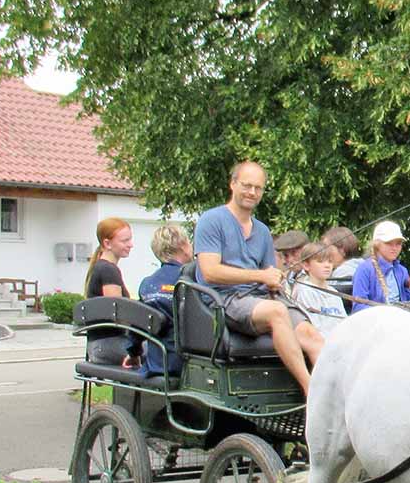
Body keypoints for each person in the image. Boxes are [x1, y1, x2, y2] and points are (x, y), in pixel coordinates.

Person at [193, 161, 323, 395]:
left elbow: (269, 276)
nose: (252, 192)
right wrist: (261, 276)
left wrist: (275, 279)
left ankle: (331, 395)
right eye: (247, 185)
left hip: (261, 298)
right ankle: (310, 389)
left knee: (311, 335)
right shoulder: (211, 221)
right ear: (233, 184)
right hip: (225, 299)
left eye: (258, 188)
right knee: (277, 312)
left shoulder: (262, 231)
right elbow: (210, 271)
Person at [131, 224, 194, 376]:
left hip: (157, 363)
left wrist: (133, 353)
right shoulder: (192, 280)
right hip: (188, 365)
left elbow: (138, 326)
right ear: (183, 246)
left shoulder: (147, 284)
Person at [83, 217, 139, 365]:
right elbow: (118, 313)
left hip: (100, 345)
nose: (130, 245)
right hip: (108, 345)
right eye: (125, 241)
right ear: (107, 243)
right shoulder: (108, 270)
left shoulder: (101, 267)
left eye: (130, 239)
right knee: (158, 353)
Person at [350, 220, 410, 312]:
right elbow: (358, 307)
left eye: (398, 243)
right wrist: (385, 313)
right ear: (377, 244)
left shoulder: (402, 271)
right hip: (375, 324)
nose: (394, 248)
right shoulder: (364, 270)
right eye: (389, 243)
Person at [292, 242, 347, 336]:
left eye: (330, 261)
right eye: (320, 261)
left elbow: (344, 321)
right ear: (306, 265)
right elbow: (313, 326)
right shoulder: (304, 291)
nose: (327, 265)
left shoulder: (334, 292)